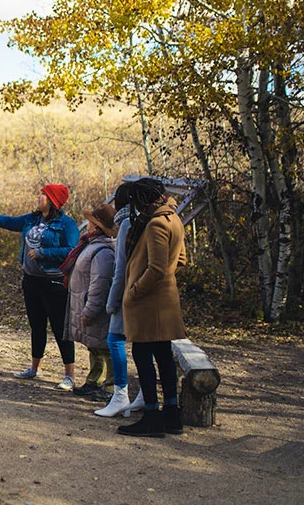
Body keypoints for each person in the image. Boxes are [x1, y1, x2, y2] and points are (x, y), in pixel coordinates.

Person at [0, 184, 80, 389]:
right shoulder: (32, 219)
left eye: (43, 194)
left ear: (53, 200)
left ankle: (69, 375)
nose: (39, 197)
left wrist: (43, 254)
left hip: (55, 283)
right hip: (31, 280)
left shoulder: (67, 225)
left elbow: (72, 250)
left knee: (59, 328)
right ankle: (35, 368)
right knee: (36, 325)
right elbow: (9, 222)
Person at [117, 178, 187, 437]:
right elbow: (180, 259)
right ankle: (171, 414)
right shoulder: (173, 218)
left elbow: (156, 269)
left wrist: (134, 292)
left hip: (149, 302)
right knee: (163, 355)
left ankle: (151, 415)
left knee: (143, 356)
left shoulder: (156, 224)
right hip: (163, 300)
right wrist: (166, 277)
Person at [94, 182, 145, 417]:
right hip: (144, 291)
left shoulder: (126, 223)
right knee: (144, 344)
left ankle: (121, 394)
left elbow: (120, 266)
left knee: (115, 340)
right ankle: (144, 393)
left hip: (127, 291)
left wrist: (111, 301)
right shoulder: (145, 220)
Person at [60, 203, 117, 401]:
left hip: (96, 310)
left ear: (97, 226)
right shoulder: (90, 245)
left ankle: (109, 387)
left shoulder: (103, 252)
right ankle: (93, 381)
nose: (87, 225)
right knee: (94, 346)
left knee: (105, 348)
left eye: (91, 222)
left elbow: (99, 285)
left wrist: (89, 310)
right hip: (83, 304)